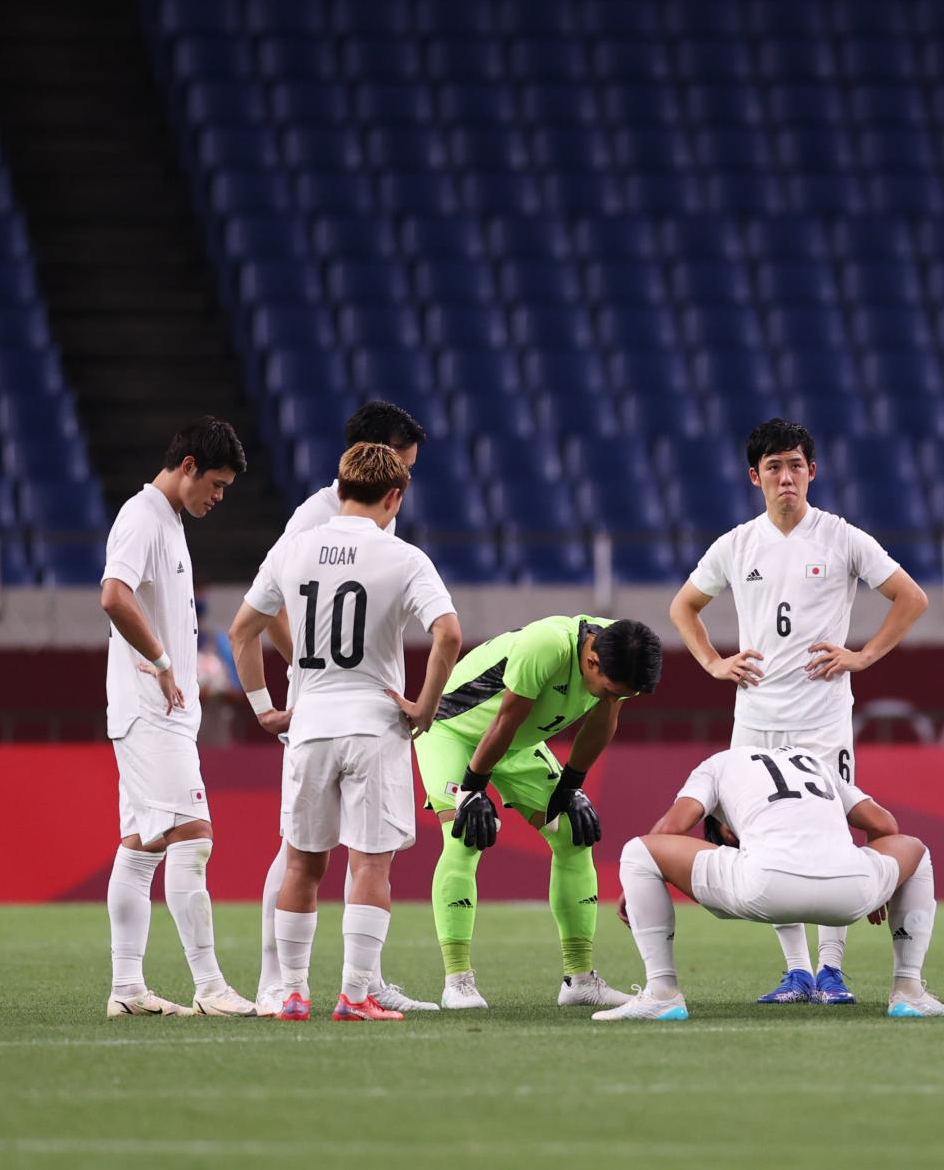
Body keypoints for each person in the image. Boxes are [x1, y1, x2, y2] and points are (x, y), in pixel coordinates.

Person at [668, 417, 930, 1005]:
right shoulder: (737, 544)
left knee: (835, 828)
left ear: (813, 472)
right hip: (757, 713)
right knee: (763, 833)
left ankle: (833, 970)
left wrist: (862, 656)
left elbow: (911, 598)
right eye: (773, 467)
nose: (785, 477)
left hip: (822, 713)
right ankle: (797, 970)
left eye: (795, 466)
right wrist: (713, 663)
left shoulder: (841, 537)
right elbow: (683, 607)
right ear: (753, 476)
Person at [228, 441, 461, 1021]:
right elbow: (449, 634)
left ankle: (292, 992)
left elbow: (242, 629)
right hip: (374, 725)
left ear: (340, 486)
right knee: (369, 864)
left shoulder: (295, 550)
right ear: (393, 495)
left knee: (303, 862)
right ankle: (356, 995)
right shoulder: (403, 557)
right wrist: (424, 707)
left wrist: (263, 707)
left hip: (309, 723)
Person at [597, 747, 944, 1021]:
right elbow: (884, 824)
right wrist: (882, 883)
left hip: (765, 888)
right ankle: (908, 989)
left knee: (638, 850)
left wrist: (640, 880)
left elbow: (673, 828)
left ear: (724, 831)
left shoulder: (716, 764)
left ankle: (662, 993)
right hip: (853, 891)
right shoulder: (813, 760)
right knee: (917, 849)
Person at [414, 614, 664, 1010]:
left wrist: (570, 788)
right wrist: (474, 789)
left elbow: (602, 723)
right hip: (453, 732)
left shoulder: (624, 653)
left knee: (572, 833)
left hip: (514, 743)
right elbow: (506, 718)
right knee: (465, 835)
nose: (613, 698)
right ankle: (457, 981)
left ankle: (579, 979)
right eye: (610, 690)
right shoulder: (545, 644)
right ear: (591, 662)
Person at [99, 416, 255, 1017]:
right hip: (149, 710)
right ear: (187, 465)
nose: (217, 498)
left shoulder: (168, 521)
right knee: (195, 838)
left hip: (159, 712)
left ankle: (128, 989)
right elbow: (114, 594)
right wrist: (162, 661)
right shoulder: (142, 518)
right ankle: (210, 985)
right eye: (215, 484)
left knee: (141, 848)